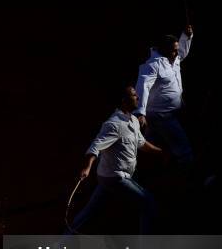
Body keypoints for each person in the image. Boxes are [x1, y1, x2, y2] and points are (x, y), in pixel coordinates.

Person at [67, 86, 163, 234]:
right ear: (124, 101)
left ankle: (62, 242)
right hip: (115, 177)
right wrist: (87, 168)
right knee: (148, 203)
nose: (138, 97)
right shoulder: (113, 124)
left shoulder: (134, 120)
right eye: (134, 95)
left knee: (90, 212)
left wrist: (161, 152)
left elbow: (141, 143)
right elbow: (95, 147)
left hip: (109, 176)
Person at [135, 25, 194, 168]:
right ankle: (190, 170)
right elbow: (143, 87)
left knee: (148, 142)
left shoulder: (174, 58)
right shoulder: (153, 65)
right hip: (161, 114)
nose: (177, 53)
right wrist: (140, 112)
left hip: (165, 113)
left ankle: (142, 168)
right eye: (173, 50)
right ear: (164, 49)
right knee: (181, 144)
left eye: (176, 49)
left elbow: (182, 52)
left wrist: (186, 37)